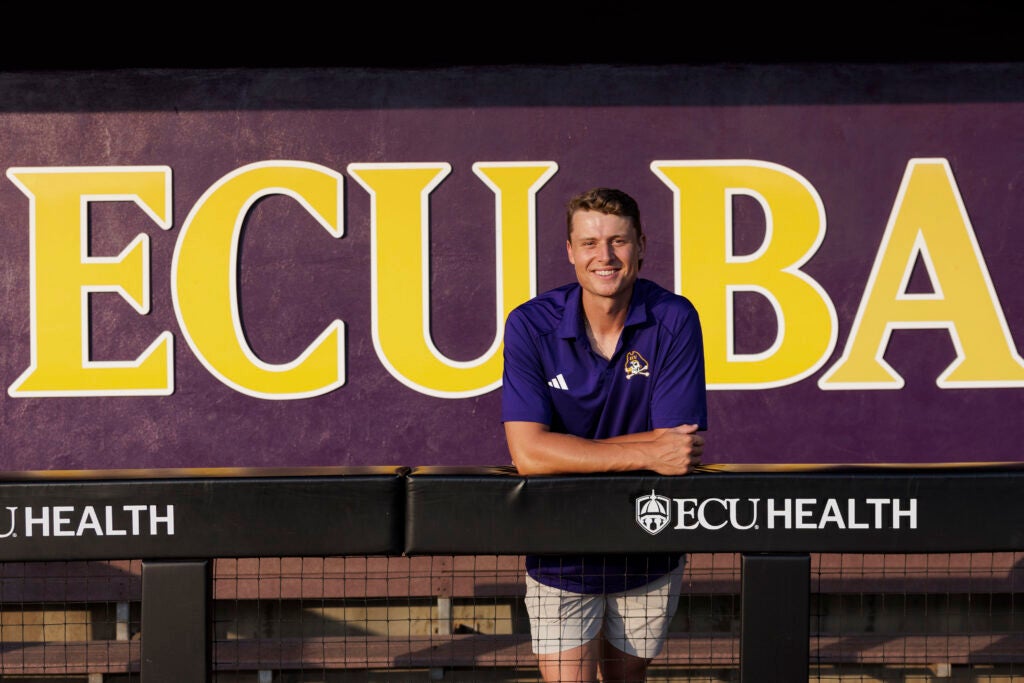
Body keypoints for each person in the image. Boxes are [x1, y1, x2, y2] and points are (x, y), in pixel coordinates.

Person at [501, 187, 707, 682]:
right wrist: (644, 450)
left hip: (647, 541)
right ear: (570, 251)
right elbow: (528, 454)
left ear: (641, 245)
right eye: (590, 243)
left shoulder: (674, 318)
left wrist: (563, 451)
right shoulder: (530, 325)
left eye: (618, 241)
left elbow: (675, 448)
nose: (605, 256)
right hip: (559, 549)